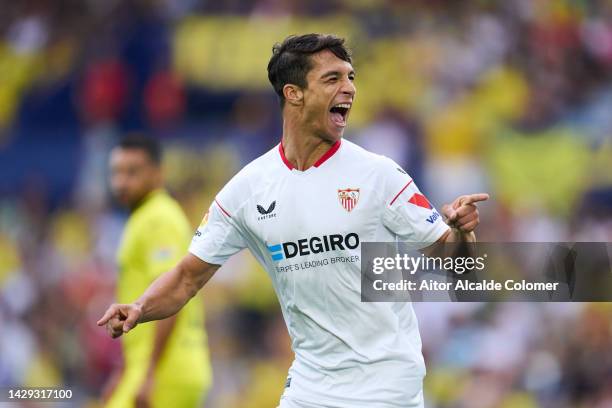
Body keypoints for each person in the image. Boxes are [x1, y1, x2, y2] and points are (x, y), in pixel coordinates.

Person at [98, 34, 488, 408]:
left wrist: (463, 232)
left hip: (385, 386)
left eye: (351, 77)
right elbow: (186, 278)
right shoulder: (248, 189)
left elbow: (463, 269)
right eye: (332, 78)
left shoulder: (380, 176)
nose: (349, 88)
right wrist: (139, 308)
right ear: (294, 93)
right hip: (310, 387)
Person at [102, 135, 211, 408]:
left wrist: (149, 373)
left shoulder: (158, 217)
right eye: (116, 173)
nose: (121, 182)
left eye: (133, 172)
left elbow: (172, 292)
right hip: (153, 365)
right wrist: (127, 370)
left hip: (167, 367)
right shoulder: (145, 217)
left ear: (158, 173)